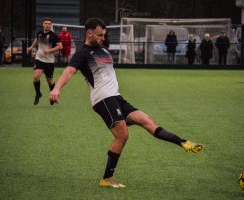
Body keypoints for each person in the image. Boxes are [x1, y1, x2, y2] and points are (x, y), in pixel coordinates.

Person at [49, 18, 204, 188]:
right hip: (102, 98)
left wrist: (180, 142)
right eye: (99, 35)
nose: (102, 38)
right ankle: (107, 179)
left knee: (147, 120)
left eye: (104, 35)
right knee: (122, 135)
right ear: (89, 33)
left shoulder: (105, 50)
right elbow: (69, 71)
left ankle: (183, 142)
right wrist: (56, 88)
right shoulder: (82, 53)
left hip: (116, 97)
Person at [27, 18, 63, 105]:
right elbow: (37, 40)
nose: (47, 25)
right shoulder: (39, 33)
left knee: (49, 80)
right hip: (39, 58)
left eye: (49, 24)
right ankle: (38, 94)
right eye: (46, 23)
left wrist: (49, 50)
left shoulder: (53, 35)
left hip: (49, 61)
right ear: (43, 24)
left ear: (51, 25)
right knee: (36, 77)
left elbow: (60, 46)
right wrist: (31, 47)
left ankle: (52, 96)